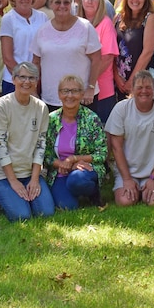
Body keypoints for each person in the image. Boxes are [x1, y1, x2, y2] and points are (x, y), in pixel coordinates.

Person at [0, 61, 53, 221]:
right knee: (22, 216)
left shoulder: (41, 108)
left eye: (31, 78)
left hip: (29, 173)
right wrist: (13, 181)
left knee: (46, 213)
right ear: (14, 79)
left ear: (37, 81)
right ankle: (2, 198)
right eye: (22, 77)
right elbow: (0, 146)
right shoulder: (1, 106)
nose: (26, 82)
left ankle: (19, 197)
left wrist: (35, 179)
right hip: (2, 174)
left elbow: (40, 145)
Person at [106, 72, 154, 207]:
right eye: (139, 87)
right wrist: (127, 179)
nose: (144, 91)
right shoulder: (121, 109)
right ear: (132, 89)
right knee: (125, 202)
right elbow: (116, 147)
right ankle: (131, 186)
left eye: (148, 87)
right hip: (127, 171)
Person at [31, 0, 102, 109]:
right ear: (51, 3)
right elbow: (36, 62)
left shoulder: (85, 27)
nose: (62, 6)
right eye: (58, 2)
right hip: (51, 99)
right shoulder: (42, 31)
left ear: (72, 3)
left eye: (66, 2)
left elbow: (96, 59)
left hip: (82, 98)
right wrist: (34, 90)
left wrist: (90, 88)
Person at [45, 75, 108, 210]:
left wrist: (74, 159)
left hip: (86, 170)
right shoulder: (51, 120)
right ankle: (74, 194)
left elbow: (102, 153)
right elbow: (45, 154)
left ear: (81, 94)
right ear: (59, 94)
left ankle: (92, 193)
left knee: (77, 180)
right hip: (59, 171)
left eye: (75, 91)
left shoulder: (92, 119)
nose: (70, 95)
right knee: (67, 206)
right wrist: (62, 164)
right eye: (65, 91)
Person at [0, 0, 48, 94]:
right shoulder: (8, 19)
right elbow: (8, 58)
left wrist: (35, 81)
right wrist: (25, 81)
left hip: (38, 81)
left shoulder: (42, 17)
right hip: (14, 82)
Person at [113, 0, 154, 100]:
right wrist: (117, 77)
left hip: (142, 80)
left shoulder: (150, 18)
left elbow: (148, 51)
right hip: (119, 81)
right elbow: (111, 49)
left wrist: (132, 81)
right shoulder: (117, 18)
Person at [80, 0, 119, 122]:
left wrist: (88, 81)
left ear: (100, 1)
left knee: (100, 136)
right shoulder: (76, 24)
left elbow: (107, 58)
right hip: (79, 90)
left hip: (102, 91)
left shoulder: (105, 24)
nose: (90, 1)